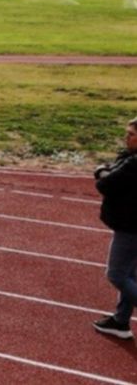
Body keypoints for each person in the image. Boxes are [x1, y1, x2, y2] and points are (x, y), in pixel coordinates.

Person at [92, 117, 137, 340]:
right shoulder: (130, 159)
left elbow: (105, 184)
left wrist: (101, 171)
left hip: (131, 227)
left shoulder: (134, 163)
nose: (125, 137)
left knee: (117, 275)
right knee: (131, 274)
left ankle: (120, 321)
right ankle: (120, 322)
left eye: (131, 134)